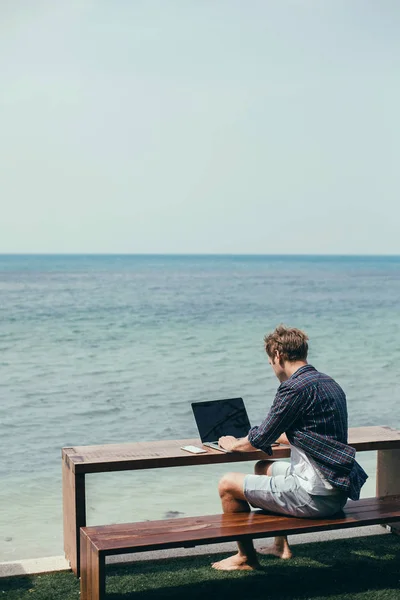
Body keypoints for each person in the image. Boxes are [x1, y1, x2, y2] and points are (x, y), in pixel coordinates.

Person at [211, 325, 368, 571]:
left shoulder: (293, 388)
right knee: (263, 467)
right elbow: (314, 433)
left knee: (227, 484)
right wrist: (282, 437)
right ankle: (280, 546)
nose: (272, 367)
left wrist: (233, 443)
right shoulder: (328, 383)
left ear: (277, 355)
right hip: (336, 489)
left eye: (270, 361)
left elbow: (258, 439)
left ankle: (245, 558)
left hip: (314, 497)